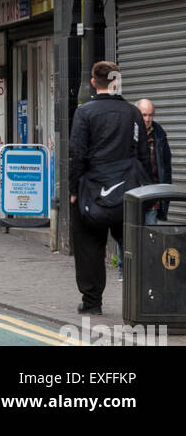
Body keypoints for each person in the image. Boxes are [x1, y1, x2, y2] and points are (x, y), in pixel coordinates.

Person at [69, 61, 151, 315]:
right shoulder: (132, 113)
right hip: (127, 193)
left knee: (89, 247)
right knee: (133, 247)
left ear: (94, 82)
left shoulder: (84, 112)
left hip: (92, 192)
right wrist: (147, 190)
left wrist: (73, 190)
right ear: (116, 82)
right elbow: (143, 155)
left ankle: (92, 303)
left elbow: (77, 154)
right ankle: (144, 300)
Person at [136, 99, 173, 224]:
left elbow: (166, 168)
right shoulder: (128, 132)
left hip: (152, 197)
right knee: (127, 239)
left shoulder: (159, 134)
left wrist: (165, 195)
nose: (147, 119)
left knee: (149, 239)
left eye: (150, 115)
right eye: (144, 115)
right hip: (131, 196)